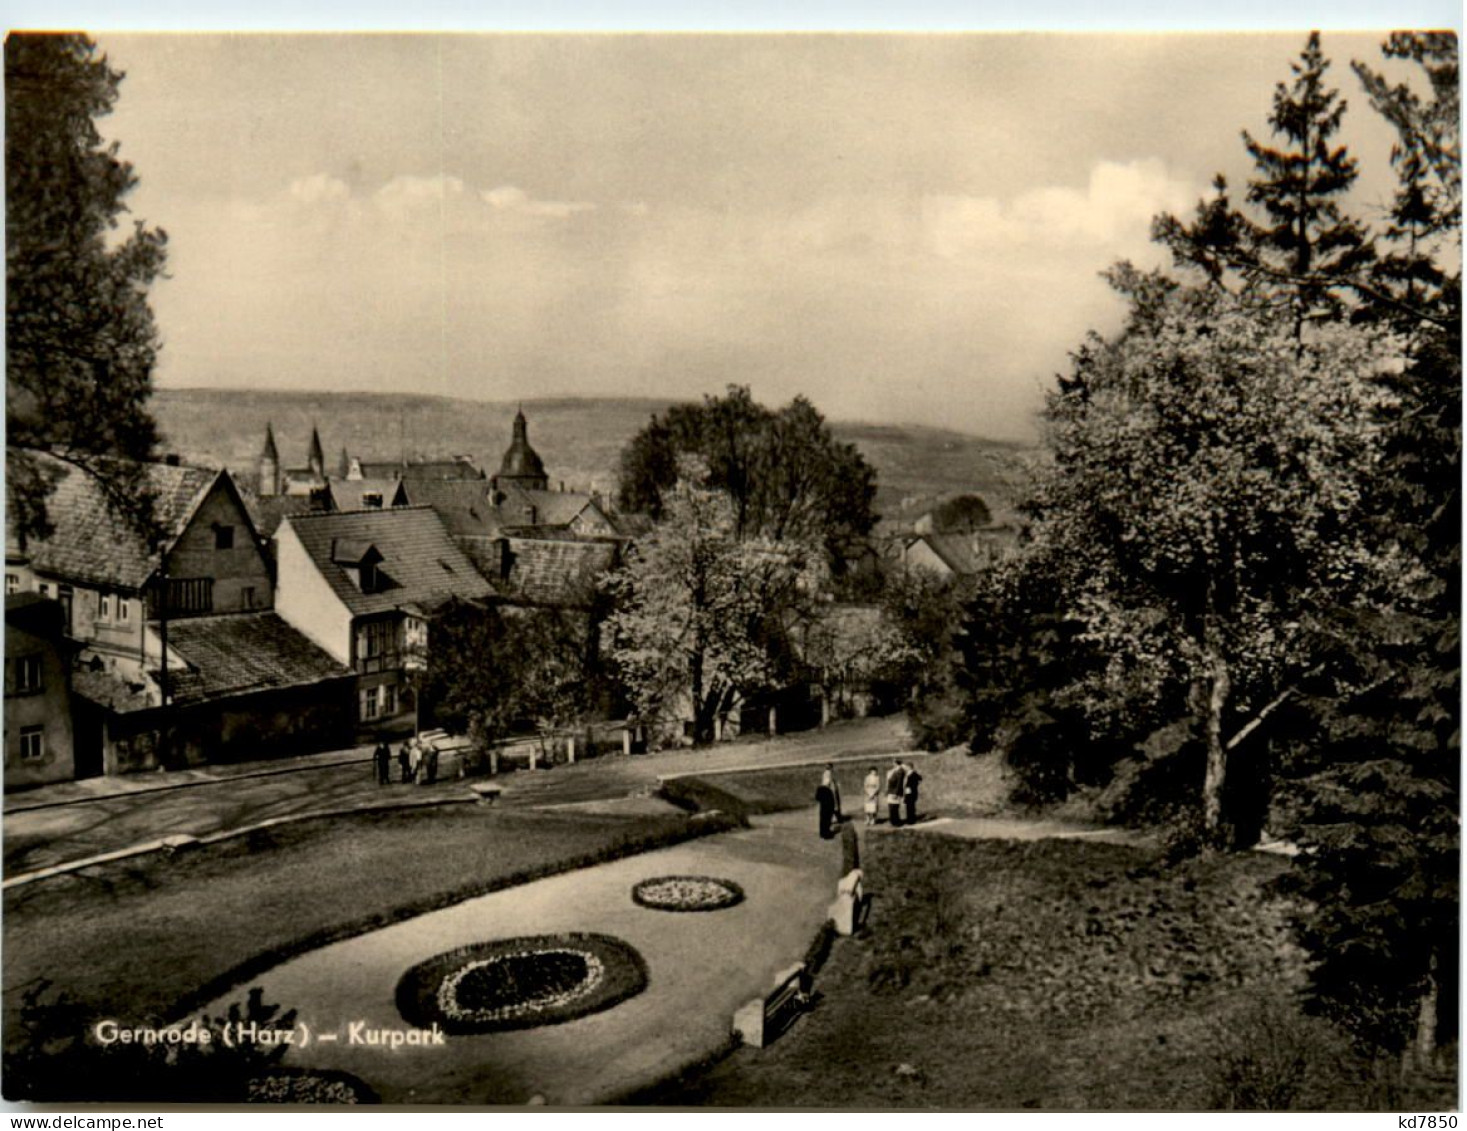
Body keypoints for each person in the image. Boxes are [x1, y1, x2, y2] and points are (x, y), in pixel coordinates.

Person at [815, 765, 838, 839]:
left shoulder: (820, 789)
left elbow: (817, 798)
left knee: (823, 820)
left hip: (823, 807)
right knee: (827, 820)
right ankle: (826, 834)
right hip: (828, 807)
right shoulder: (828, 790)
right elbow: (832, 800)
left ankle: (822, 833)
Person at [885, 759, 907, 827]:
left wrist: (896, 793)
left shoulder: (900, 771)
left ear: (896, 763)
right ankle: (893, 821)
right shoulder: (895, 770)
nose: (893, 764)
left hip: (894, 791)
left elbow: (899, 783)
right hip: (891, 791)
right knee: (891, 807)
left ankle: (896, 822)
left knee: (894, 807)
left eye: (894, 763)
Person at [902, 759, 923, 825]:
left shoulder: (913, 773)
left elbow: (920, 779)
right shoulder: (909, 773)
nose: (906, 768)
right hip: (908, 792)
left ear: (910, 767)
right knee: (908, 806)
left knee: (911, 806)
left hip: (912, 792)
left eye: (907, 767)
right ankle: (909, 819)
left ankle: (911, 820)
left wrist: (913, 787)